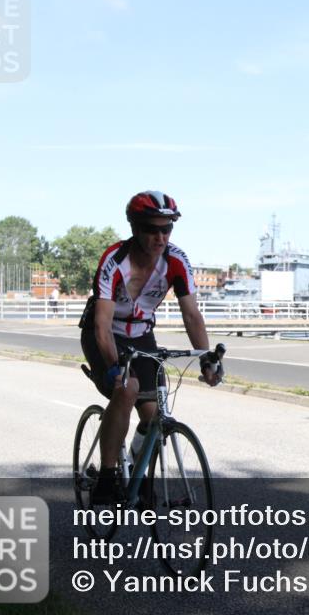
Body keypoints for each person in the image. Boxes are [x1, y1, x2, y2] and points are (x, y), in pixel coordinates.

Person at [80, 190, 221, 503]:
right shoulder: (114, 260)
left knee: (153, 413)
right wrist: (115, 368)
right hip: (103, 333)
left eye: (166, 229)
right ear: (134, 227)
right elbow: (102, 325)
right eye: (152, 229)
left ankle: (137, 476)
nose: (160, 236)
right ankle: (107, 476)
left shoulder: (176, 260)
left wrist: (207, 359)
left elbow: (191, 314)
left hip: (141, 335)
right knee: (127, 388)